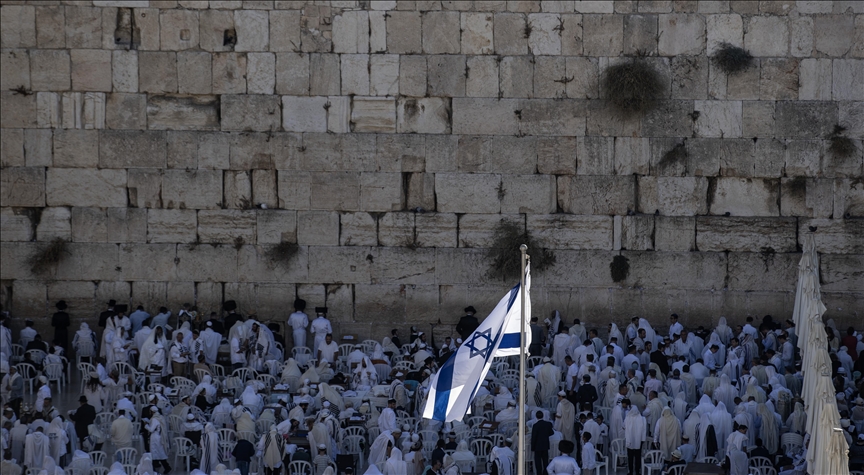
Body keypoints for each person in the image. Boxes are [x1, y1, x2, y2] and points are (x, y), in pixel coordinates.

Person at [625, 405, 646, 475]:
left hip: (630, 440)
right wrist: (643, 439)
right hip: (638, 441)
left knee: (630, 456)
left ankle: (630, 471)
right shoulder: (642, 419)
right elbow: (644, 430)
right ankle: (637, 471)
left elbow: (623, 426)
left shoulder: (627, 417)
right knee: (638, 456)